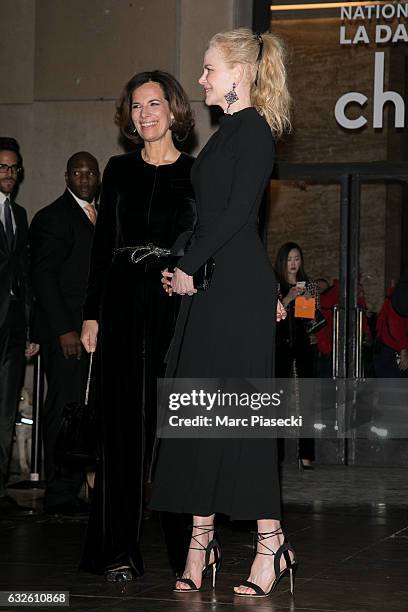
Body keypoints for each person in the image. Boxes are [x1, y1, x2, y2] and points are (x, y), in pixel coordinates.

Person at [151, 28, 296, 598]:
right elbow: (210, 218)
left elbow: (238, 216)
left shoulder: (254, 129)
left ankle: (270, 547)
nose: (203, 79)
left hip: (236, 294)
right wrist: (182, 261)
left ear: (238, 74)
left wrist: (195, 264)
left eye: (210, 69)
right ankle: (201, 541)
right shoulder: (227, 133)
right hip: (214, 289)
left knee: (244, 419)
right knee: (202, 416)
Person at [79, 70, 196, 582]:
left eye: (153, 105)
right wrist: (90, 313)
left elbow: (203, 245)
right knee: (121, 434)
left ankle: (184, 553)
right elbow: (101, 250)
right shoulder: (118, 170)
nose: (144, 115)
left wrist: (191, 275)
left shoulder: (196, 172)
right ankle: (118, 551)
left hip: (172, 310)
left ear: (174, 110)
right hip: (121, 306)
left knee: (171, 434)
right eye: (136, 107)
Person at [29, 152, 100, 516]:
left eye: (90, 172)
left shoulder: (98, 216)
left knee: (81, 411)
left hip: (91, 335)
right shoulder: (51, 217)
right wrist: (63, 330)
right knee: (63, 409)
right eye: (77, 171)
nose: (84, 178)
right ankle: (58, 494)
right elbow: (43, 279)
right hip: (67, 336)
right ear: (66, 175)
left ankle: (74, 487)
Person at [0, 137, 38, 517]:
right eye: (3, 167)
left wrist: (30, 329)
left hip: (12, 329)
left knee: (6, 410)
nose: (9, 173)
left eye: (14, 168)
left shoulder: (19, 214)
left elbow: (24, 276)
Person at [274, 242, 316, 469]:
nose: (294, 263)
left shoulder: (307, 283)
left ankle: (306, 453)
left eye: (297, 258)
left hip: (302, 345)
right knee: (278, 399)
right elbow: (270, 316)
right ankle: (276, 453)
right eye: (290, 259)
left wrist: (307, 299)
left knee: (306, 399)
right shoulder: (274, 284)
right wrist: (288, 297)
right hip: (279, 345)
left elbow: (308, 319)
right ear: (282, 261)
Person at [374, 282, 408, 378]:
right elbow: (395, 324)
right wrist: (403, 350)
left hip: (390, 345)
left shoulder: (398, 292)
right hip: (392, 347)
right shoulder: (401, 294)